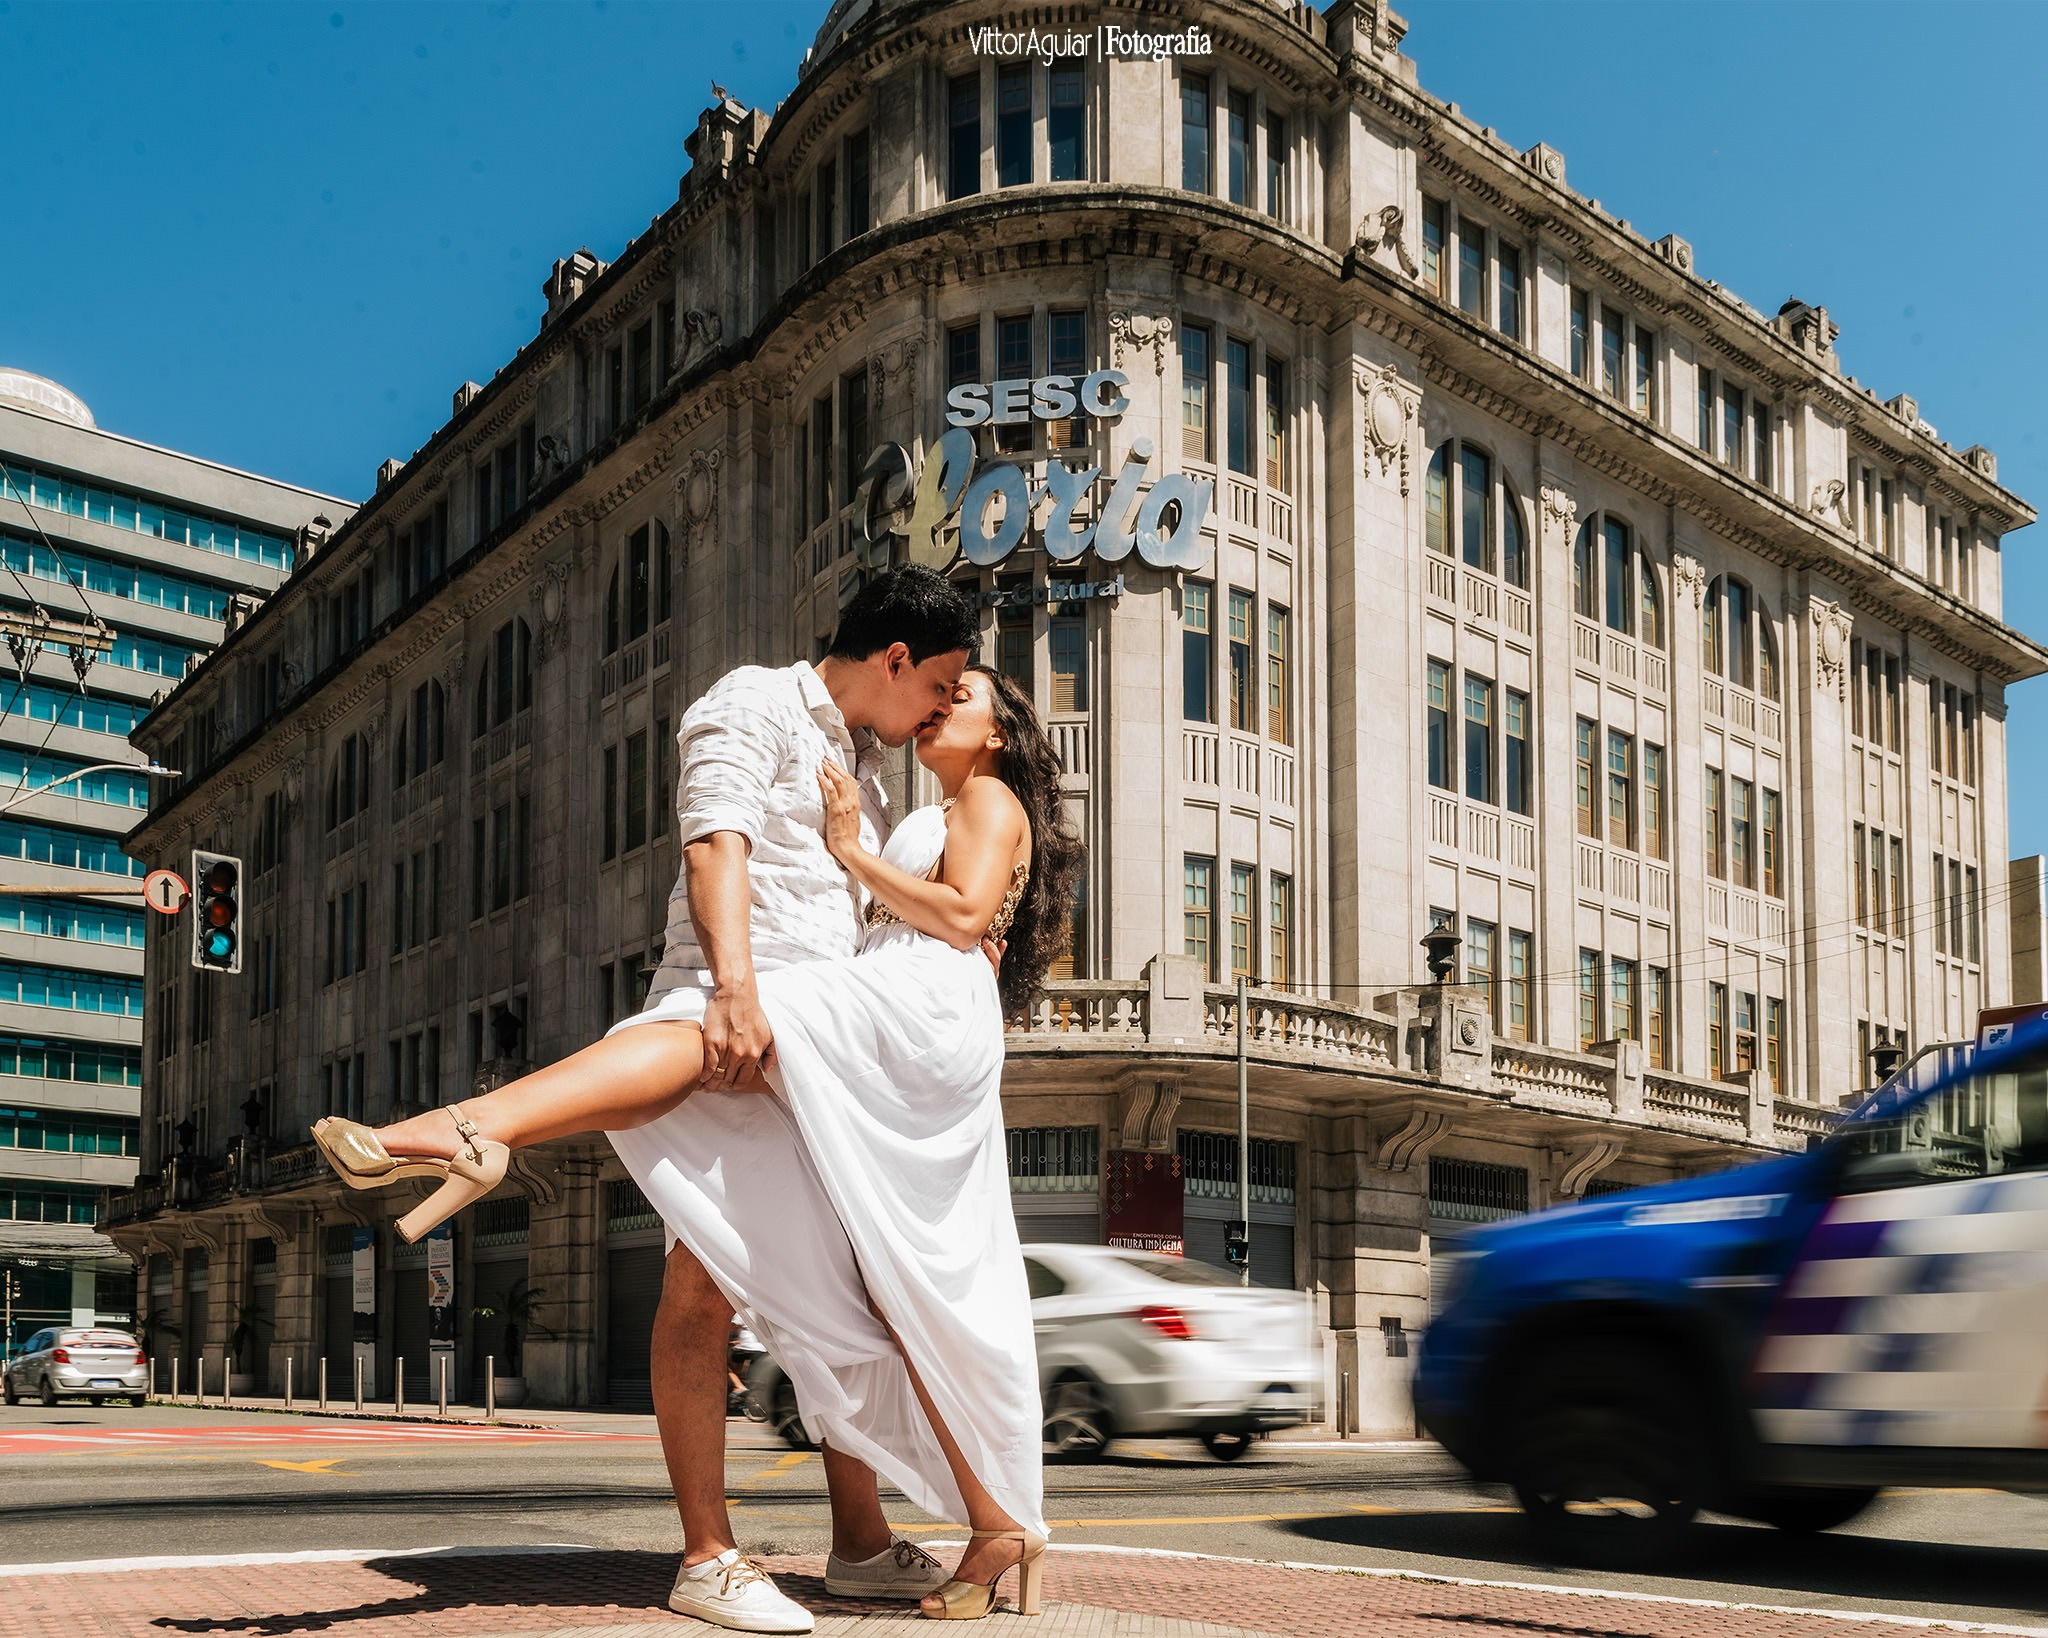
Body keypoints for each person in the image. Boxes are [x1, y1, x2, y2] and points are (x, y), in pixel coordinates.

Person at [311, 567, 1080, 1627]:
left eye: (959, 698)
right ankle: (709, 1554)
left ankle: (861, 1543)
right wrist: (730, 988)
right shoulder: (753, 701)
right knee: (707, 1289)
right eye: (940, 684)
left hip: (818, 1050)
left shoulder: (883, 781)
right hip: (732, 1017)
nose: (938, 707)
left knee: (834, 1295)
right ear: (897, 660)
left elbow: (924, 916)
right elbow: (715, 839)